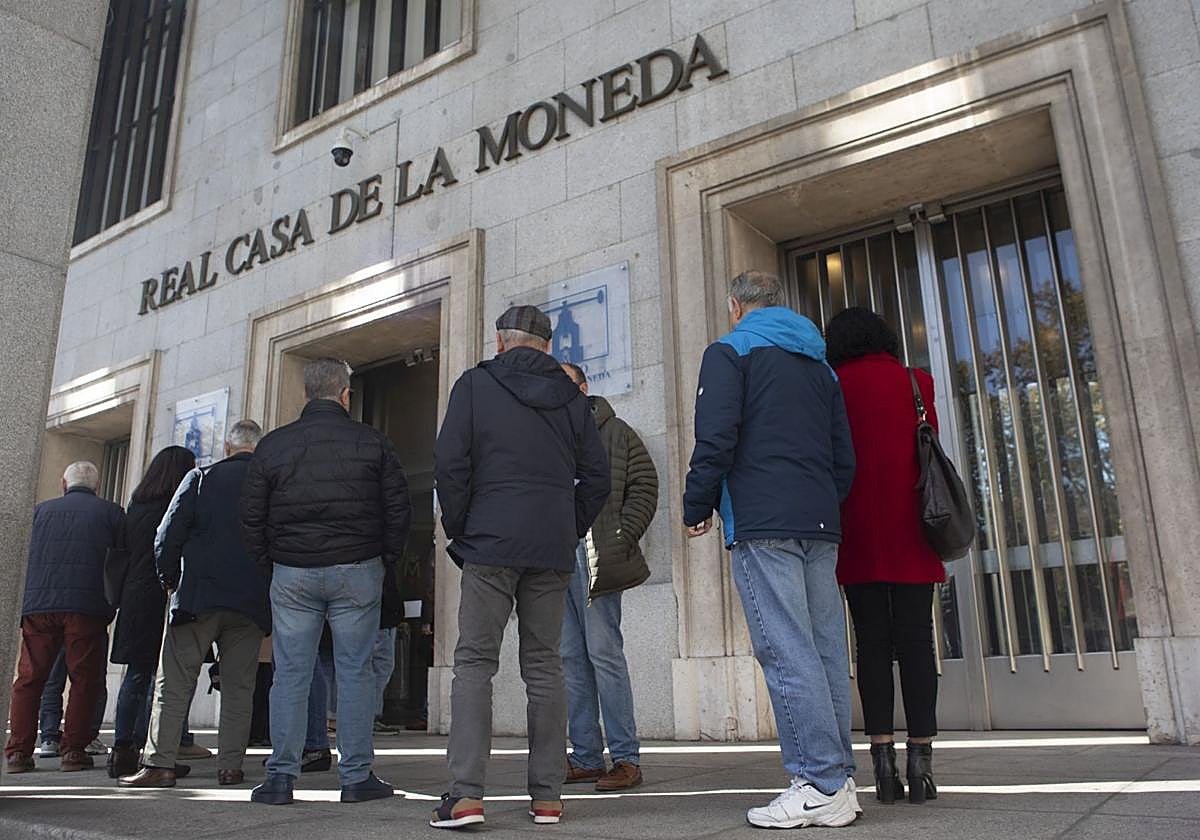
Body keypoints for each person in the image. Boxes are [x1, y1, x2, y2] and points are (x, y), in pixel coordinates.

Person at [682, 271, 858, 829]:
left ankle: (818, 780)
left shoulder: (730, 351)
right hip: (819, 520)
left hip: (763, 520)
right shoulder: (819, 362)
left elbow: (715, 437)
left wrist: (696, 506)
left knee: (785, 651)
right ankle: (840, 782)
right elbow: (843, 455)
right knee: (825, 650)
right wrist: (824, 503)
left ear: (735, 305)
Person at [429, 305, 609, 830]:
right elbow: (597, 478)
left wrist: (465, 527)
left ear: (501, 343)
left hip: (489, 542)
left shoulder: (473, 385)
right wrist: (566, 525)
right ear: (549, 347)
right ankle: (547, 796)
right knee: (545, 666)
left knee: (474, 665)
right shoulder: (572, 399)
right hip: (549, 546)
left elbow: (449, 464)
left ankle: (465, 795)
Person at [242, 357, 412, 806]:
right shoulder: (371, 441)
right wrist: (383, 559)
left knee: (291, 674)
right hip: (357, 569)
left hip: (292, 571)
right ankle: (356, 778)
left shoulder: (274, 446)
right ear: (345, 394)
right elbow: (399, 509)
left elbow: (251, 516)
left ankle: (280, 777)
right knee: (356, 671)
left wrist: (272, 564)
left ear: (306, 394)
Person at [825, 307, 944, 804]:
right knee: (917, 641)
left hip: (856, 530)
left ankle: (883, 766)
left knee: (871, 643)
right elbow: (929, 446)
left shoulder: (831, 386)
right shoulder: (917, 382)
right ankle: (923, 767)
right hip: (913, 526)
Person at [119, 420, 272, 789]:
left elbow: (167, 534)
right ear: (259, 449)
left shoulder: (200, 477)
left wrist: (169, 580)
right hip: (251, 601)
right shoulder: (270, 485)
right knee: (239, 687)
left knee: (173, 682)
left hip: (197, 596)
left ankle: (161, 764)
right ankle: (231, 767)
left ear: (226, 446)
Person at [558, 362, 658, 792]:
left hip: (597, 555)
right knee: (570, 659)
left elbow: (645, 483)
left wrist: (622, 534)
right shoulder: (548, 437)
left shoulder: (616, 432)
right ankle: (584, 756)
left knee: (604, 654)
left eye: (564, 384)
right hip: (557, 557)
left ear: (583, 388)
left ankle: (625, 757)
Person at [5, 461, 123, 774]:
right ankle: (73, 751)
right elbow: (120, 561)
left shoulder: (40, 512)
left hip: (39, 605)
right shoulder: (111, 513)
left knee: (30, 679)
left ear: (63, 483)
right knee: (84, 680)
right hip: (86, 605)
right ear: (97, 487)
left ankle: (18, 752)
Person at [107, 445, 197, 778]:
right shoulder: (177, 505)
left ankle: (121, 750)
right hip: (164, 593)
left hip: (133, 596)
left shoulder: (136, 505)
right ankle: (152, 753)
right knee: (163, 678)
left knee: (135, 675)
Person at [38, 647, 108, 758]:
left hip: (53, 631)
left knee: (52, 682)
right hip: (84, 632)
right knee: (88, 680)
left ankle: (49, 739)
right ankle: (86, 738)